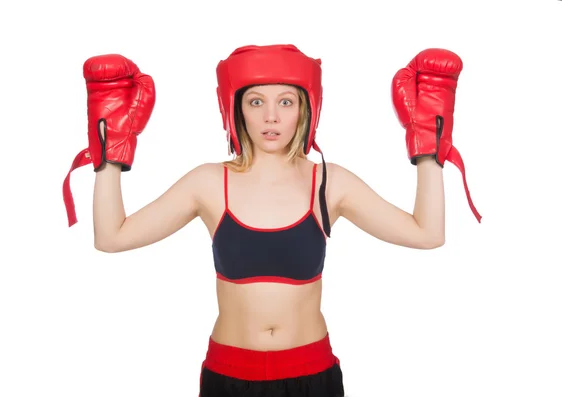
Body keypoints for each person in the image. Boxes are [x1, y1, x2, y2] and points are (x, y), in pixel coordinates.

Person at [62, 44, 481, 397]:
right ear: (236, 108)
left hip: (311, 375)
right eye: (256, 101)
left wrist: (430, 143)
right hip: (229, 376)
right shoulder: (209, 182)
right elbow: (112, 237)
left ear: (305, 108)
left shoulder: (329, 183)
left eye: (286, 101)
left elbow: (427, 234)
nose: (271, 117)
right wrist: (109, 149)